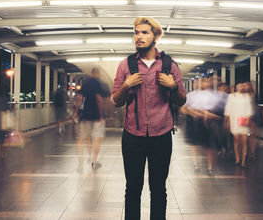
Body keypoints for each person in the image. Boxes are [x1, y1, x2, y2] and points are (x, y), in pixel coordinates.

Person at [111, 17, 186, 220]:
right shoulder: (126, 65)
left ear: (156, 36)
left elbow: (181, 101)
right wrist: (126, 85)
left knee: (158, 189)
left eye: (144, 32)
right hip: (132, 135)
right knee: (133, 188)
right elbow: (116, 101)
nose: (139, 36)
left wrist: (173, 86)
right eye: (136, 32)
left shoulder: (170, 66)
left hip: (161, 135)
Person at [73, 68, 106, 169]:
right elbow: (99, 99)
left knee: (81, 138)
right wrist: (101, 115)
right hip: (95, 115)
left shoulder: (85, 83)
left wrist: (76, 112)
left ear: (91, 73)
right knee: (97, 138)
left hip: (85, 115)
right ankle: (94, 161)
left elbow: (80, 98)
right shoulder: (98, 83)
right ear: (98, 73)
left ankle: (80, 163)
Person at [224, 82, 253, 168]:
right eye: (239, 85)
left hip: (245, 121)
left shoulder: (247, 97)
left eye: (242, 85)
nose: (241, 87)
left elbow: (249, 109)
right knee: (236, 140)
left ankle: (243, 160)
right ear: (236, 87)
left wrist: (248, 118)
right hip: (234, 120)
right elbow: (228, 108)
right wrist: (227, 120)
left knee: (244, 141)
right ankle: (237, 157)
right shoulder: (231, 96)